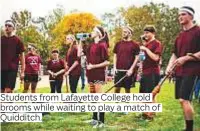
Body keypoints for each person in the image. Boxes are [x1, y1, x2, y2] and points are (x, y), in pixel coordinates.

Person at [165, 6, 200, 131]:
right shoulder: (179, 36)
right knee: (182, 101)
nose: (180, 16)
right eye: (179, 15)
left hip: (193, 71)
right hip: (180, 72)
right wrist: (169, 67)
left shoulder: (198, 31)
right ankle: (188, 127)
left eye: (184, 14)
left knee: (184, 99)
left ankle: (189, 129)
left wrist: (186, 58)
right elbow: (174, 54)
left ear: (191, 16)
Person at [84, 26, 109, 128]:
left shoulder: (102, 45)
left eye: (93, 30)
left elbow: (107, 62)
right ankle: (94, 119)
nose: (91, 32)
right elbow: (80, 54)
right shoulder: (91, 45)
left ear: (99, 33)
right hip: (90, 74)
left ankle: (101, 121)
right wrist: (80, 41)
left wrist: (93, 66)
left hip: (98, 74)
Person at [139, 25, 163, 119]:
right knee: (144, 94)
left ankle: (151, 115)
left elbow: (156, 58)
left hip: (152, 72)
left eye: (147, 32)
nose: (145, 34)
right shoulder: (146, 44)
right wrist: (143, 48)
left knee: (150, 94)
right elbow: (142, 59)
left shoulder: (157, 43)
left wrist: (146, 49)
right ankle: (145, 113)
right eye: (144, 32)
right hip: (145, 72)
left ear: (153, 33)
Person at [1, 20, 25, 93]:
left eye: (9, 26)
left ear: (13, 28)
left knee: (8, 90)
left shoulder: (18, 40)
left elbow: (22, 57)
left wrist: (22, 72)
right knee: (1, 91)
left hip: (12, 69)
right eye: (6, 25)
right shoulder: (1, 39)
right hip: (1, 69)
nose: (7, 27)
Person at [113, 26, 139, 94]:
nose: (123, 33)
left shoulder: (135, 45)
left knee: (127, 90)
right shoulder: (118, 44)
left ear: (130, 33)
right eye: (123, 32)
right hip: (118, 71)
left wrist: (131, 69)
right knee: (116, 89)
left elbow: (137, 58)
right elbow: (115, 56)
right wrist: (114, 67)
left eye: (125, 32)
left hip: (128, 72)